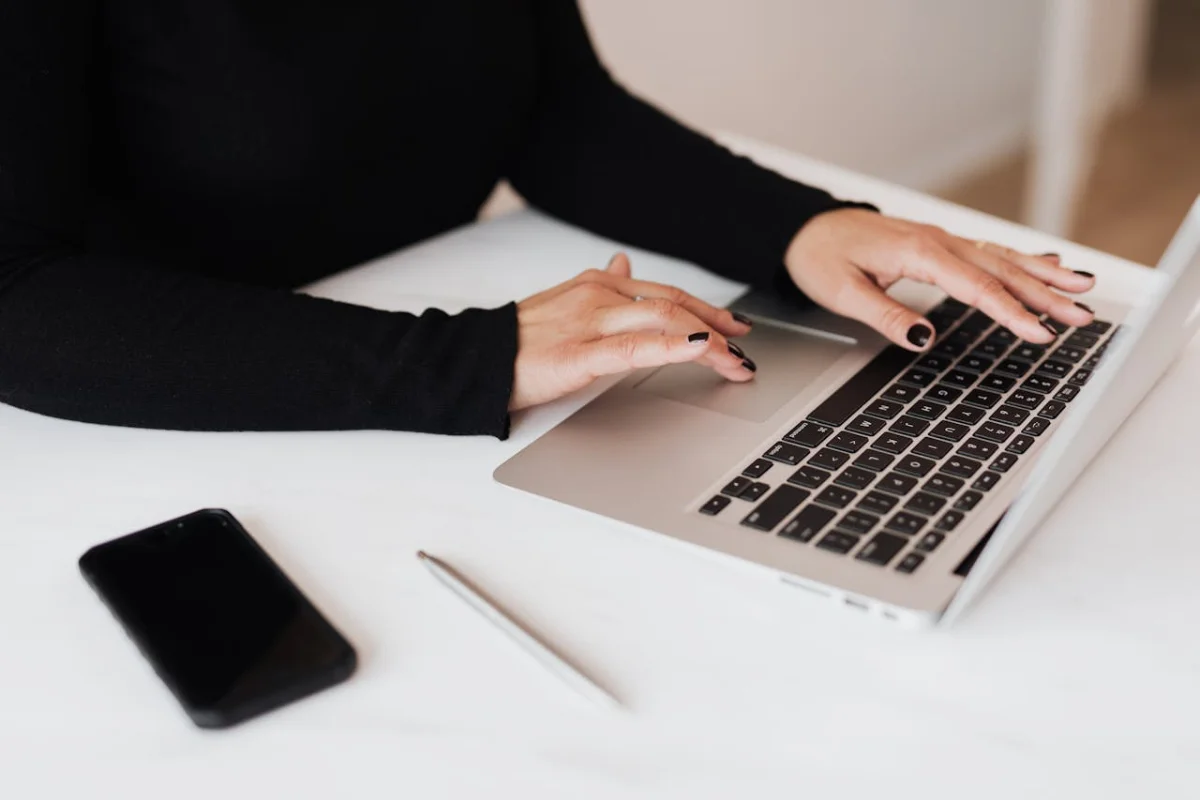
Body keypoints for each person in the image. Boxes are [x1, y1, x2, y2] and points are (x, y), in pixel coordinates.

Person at [0, 1, 1095, 438]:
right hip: (163, 412)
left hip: (401, 377)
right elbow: (18, 297)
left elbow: (549, 109)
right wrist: (469, 358)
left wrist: (802, 230)